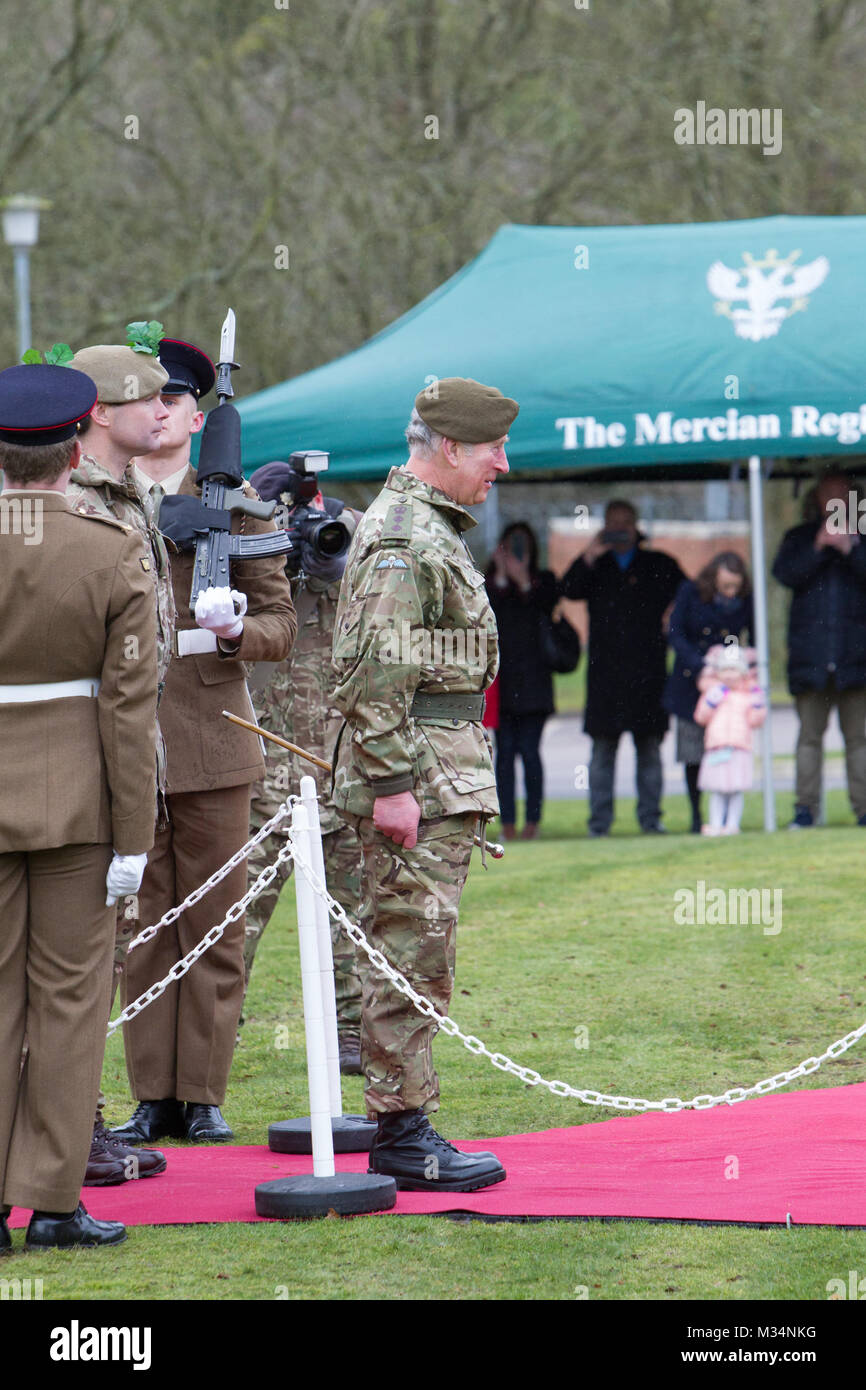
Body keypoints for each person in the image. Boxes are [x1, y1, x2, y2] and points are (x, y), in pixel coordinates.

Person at [111, 339, 296, 1146]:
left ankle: (203, 1091)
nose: (157, 410)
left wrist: (232, 632)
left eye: (171, 398)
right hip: (125, 741)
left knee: (216, 925)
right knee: (145, 930)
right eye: (145, 396)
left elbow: (282, 624)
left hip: (214, 739)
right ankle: (153, 1093)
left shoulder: (241, 503)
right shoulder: (95, 497)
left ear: (196, 414)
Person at [331, 377, 513, 1191]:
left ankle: (404, 1121)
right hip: (419, 773)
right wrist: (395, 785)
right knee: (410, 950)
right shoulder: (406, 535)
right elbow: (378, 677)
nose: (501, 465)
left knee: (416, 947)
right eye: (489, 450)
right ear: (446, 448)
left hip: (439, 766)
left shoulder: (427, 526)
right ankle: (403, 1134)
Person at [0, 362, 158, 1250]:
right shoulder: (109, 545)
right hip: (77, 804)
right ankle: (57, 1202)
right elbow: (128, 705)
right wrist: (133, 833)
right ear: (74, 449)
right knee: (67, 1004)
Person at [66, 338, 174, 1187]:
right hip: (80, 755)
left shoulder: (131, 493)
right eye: (148, 398)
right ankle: (73, 1130)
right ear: (99, 412)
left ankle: (82, 1121)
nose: (163, 411)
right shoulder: (70, 498)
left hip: (131, 744)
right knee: (80, 955)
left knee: (108, 948)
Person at [242, 460, 364, 1071]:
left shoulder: (353, 527)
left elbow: (388, 612)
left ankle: (352, 1034)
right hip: (259, 759)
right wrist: (271, 558)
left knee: (352, 910)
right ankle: (210, 1037)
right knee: (235, 913)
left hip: (342, 756)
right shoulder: (240, 534)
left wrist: (332, 566)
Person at [559, 499, 684, 835]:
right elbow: (568, 590)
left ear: (636, 525)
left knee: (650, 752)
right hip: (605, 676)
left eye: (625, 522)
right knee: (602, 754)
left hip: (648, 673)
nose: (619, 529)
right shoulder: (596, 567)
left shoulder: (658, 564)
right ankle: (599, 824)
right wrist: (590, 552)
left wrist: (673, 621)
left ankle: (651, 820)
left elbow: (688, 595)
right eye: (612, 523)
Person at [772, 469, 866, 828]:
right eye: (828, 495)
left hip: (855, 659)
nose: (834, 503)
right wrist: (818, 547)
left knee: (858, 740)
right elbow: (784, 575)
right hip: (810, 660)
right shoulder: (798, 538)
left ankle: (863, 809)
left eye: (841, 495)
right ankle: (805, 810)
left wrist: (850, 548)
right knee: (809, 739)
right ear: (816, 499)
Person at [664, 552, 753, 832]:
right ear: (713, 579)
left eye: (735, 587)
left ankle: (726, 819)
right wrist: (701, 665)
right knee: (693, 752)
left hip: (728, 685)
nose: (731, 592)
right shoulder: (690, 592)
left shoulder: (745, 599)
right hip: (692, 682)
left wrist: (738, 664)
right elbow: (675, 633)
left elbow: (751, 635)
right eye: (726, 586)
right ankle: (696, 815)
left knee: (724, 749)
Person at [485, 522, 558, 840]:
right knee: (505, 755)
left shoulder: (544, 581)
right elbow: (487, 613)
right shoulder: (488, 583)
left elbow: (544, 605)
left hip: (534, 686)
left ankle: (533, 822)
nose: (515, 552)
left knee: (530, 753)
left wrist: (523, 579)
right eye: (510, 546)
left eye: (521, 546)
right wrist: (501, 575)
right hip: (503, 685)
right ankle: (508, 824)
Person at [693, 643, 765, 835]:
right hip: (716, 748)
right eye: (724, 670)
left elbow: (755, 721)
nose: (729, 675)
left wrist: (758, 706)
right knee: (717, 790)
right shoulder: (713, 693)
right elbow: (701, 717)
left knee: (735, 789)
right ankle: (716, 823)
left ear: (742, 672)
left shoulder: (748, 695)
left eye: (733, 669)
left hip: (738, 748)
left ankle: (732, 824)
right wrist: (710, 702)